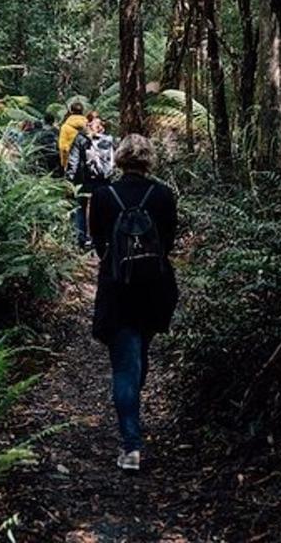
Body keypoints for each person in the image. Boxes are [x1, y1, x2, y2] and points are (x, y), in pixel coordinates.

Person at [88, 134, 179, 472]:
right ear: (149, 159)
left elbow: (98, 243)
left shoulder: (102, 196)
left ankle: (131, 446)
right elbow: (168, 240)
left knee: (127, 366)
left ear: (120, 158)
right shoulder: (164, 195)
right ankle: (132, 432)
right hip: (155, 289)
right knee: (138, 359)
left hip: (117, 288)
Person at [66, 115, 115, 247]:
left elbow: (73, 161)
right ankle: (101, 238)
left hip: (83, 180)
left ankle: (81, 239)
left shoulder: (80, 139)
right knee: (101, 208)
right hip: (104, 179)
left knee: (80, 208)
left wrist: (69, 180)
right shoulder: (109, 139)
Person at [57, 102, 87, 171]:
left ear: (71, 111)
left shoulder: (65, 126)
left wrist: (64, 163)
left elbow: (62, 147)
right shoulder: (89, 124)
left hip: (71, 160)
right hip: (87, 160)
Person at [29, 111, 61, 176]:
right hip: (56, 157)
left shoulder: (40, 132)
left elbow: (35, 145)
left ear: (44, 121)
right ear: (53, 121)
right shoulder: (58, 131)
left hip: (43, 158)